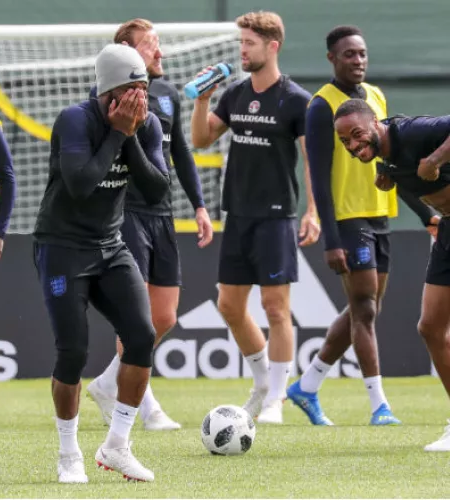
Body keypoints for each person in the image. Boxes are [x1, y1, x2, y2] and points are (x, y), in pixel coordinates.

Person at [287, 26, 437, 426]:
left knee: (364, 308)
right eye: (349, 54)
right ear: (332, 59)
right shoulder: (321, 106)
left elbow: (391, 165)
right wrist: (330, 237)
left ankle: (308, 384)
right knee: (365, 309)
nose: (358, 61)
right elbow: (318, 174)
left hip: (378, 213)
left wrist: (425, 214)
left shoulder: (375, 97)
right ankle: (379, 406)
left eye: (362, 54)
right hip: (347, 218)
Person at [34, 44, 168, 483]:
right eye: (132, 89)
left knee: (142, 336)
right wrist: (116, 135)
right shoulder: (75, 119)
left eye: (144, 89)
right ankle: (68, 451)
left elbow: (156, 191)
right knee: (73, 350)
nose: (140, 99)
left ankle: (116, 445)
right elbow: (79, 185)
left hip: (111, 246)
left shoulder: (145, 125)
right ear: (110, 91)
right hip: (62, 247)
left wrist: (128, 135)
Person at [190, 11, 320, 424]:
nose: (242, 50)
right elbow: (200, 138)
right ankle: (264, 380)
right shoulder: (234, 94)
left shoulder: (297, 100)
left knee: (276, 308)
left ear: (272, 46)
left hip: (277, 216)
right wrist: (202, 99)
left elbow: (311, 159)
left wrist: (313, 211)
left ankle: (275, 398)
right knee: (228, 304)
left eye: (249, 43)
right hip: (238, 215)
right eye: (241, 42)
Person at [87, 18, 213, 432]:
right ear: (126, 52)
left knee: (165, 316)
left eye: (158, 46)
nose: (159, 53)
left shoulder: (168, 93)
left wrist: (198, 205)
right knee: (137, 317)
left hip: (162, 215)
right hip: (125, 214)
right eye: (150, 46)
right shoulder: (106, 97)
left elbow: (181, 152)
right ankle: (145, 406)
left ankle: (108, 382)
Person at [333, 98, 450, 450]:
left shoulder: (411, 131)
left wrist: (435, 159)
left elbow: (429, 161)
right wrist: (390, 177)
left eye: (356, 135)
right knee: (430, 327)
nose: (353, 146)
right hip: (447, 230)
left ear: (375, 124)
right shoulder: (385, 157)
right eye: (345, 143)